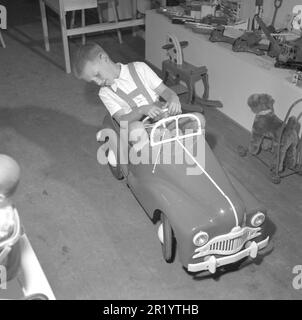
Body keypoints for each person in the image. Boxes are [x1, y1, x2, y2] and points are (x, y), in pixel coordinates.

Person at [72, 42, 205, 152]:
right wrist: (141, 110)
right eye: (93, 81)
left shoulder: (139, 68)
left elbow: (164, 91)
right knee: (136, 128)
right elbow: (122, 121)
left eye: (97, 75)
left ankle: (185, 148)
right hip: (141, 127)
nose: (98, 82)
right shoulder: (105, 93)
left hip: (162, 118)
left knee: (198, 119)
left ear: (104, 58)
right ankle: (152, 153)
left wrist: (173, 98)